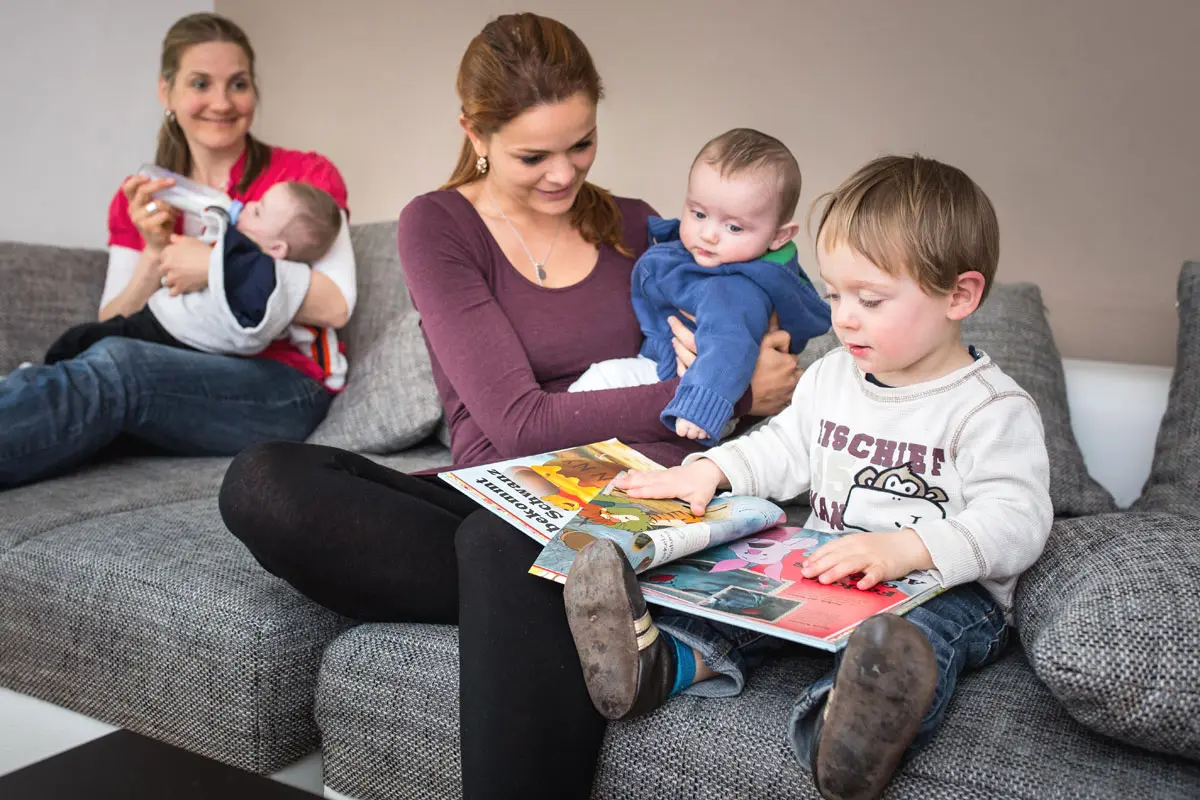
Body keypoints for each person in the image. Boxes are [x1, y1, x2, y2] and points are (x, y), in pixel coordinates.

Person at [216, 12, 800, 799]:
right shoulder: (440, 225)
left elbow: (741, 330)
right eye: (534, 155)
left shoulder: (643, 229)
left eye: (581, 144)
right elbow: (516, 424)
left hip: (632, 498)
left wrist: (748, 382)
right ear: (474, 131)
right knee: (264, 480)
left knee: (506, 552)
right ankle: (590, 600)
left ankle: (574, 588)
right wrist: (714, 398)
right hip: (496, 492)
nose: (564, 175)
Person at [564, 154, 1054, 800]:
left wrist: (907, 549)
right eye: (834, 295)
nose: (844, 317)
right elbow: (785, 447)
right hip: (823, 571)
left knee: (914, 644)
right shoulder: (833, 376)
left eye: (871, 299)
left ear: (959, 295)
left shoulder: (990, 409)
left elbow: (1020, 522)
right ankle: (662, 664)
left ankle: (842, 730)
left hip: (940, 588)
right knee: (738, 595)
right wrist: (712, 469)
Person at [0, 12, 356, 490]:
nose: (222, 102)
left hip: (282, 389)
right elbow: (113, 319)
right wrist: (154, 253)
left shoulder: (302, 179)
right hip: (177, 378)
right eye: (200, 83)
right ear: (166, 92)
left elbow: (336, 304)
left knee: (117, 369)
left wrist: (212, 266)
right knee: (89, 363)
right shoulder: (143, 198)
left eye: (238, 84)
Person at [568, 128, 830, 445]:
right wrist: (663, 236)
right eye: (699, 213)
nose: (708, 234)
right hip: (687, 376)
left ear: (779, 236)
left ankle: (552, 455)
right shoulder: (720, 260)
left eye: (733, 226)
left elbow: (728, 347)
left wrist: (700, 407)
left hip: (693, 387)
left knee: (601, 380)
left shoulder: (733, 288)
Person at [42, 181, 344, 375]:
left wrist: (331, 372)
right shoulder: (246, 251)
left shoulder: (261, 273)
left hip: (172, 334)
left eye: (259, 211)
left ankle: (44, 375)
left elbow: (307, 317)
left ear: (277, 248)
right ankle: (46, 376)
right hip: (163, 322)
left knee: (84, 343)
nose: (249, 205)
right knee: (89, 341)